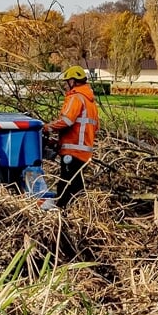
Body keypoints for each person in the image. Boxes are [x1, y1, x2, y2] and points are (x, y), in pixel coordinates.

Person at [45, 65, 100, 208]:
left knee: (66, 185)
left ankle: (62, 212)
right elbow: (95, 127)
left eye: (66, 81)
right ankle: (81, 211)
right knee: (76, 185)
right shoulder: (90, 101)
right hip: (84, 152)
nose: (65, 85)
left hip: (73, 151)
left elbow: (67, 121)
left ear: (73, 81)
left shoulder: (76, 97)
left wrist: (47, 127)